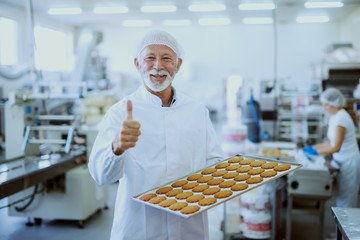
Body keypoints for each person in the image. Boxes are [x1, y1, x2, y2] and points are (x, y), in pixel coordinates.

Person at [88, 30, 223, 240]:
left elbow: (215, 162)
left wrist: (221, 176)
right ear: (137, 64)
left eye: (166, 58)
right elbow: (101, 176)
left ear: (178, 65)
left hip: (189, 229)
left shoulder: (196, 111)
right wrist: (116, 148)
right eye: (150, 58)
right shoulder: (120, 112)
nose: (158, 66)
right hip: (139, 230)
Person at [303, 88, 360, 208]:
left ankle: (346, 225)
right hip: (341, 161)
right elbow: (330, 142)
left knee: (346, 200)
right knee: (341, 197)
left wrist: (316, 152)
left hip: (349, 162)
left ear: (334, 104)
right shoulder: (334, 117)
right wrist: (312, 147)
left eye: (326, 105)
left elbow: (336, 147)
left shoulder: (341, 118)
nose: (324, 108)